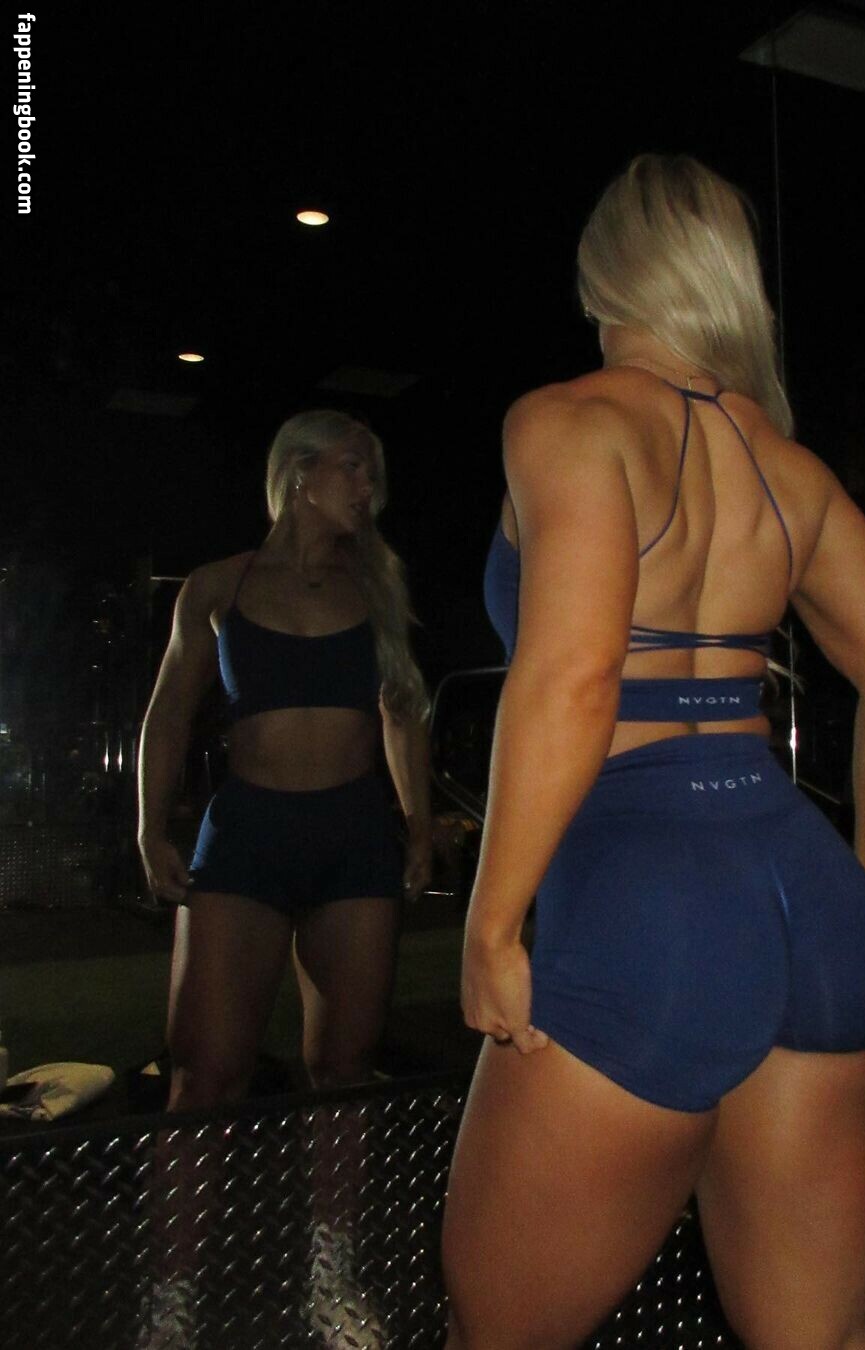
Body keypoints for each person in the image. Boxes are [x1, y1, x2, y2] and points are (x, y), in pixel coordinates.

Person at [441, 154, 865, 1350]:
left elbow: (574, 678)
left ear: (600, 272)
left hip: (650, 901)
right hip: (808, 897)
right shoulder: (791, 468)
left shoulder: (569, 422)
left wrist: (491, 928)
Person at [137, 408, 431, 1350]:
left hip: (354, 841)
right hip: (248, 839)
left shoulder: (377, 584)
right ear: (299, 473)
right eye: (354, 468)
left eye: (373, 472)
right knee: (205, 1074)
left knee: (343, 1071)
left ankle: (330, 1286)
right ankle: (172, 1304)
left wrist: (418, 824)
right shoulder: (217, 586)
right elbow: (168, 713)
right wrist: (150, 827)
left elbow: (401, 713)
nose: (368, 488)